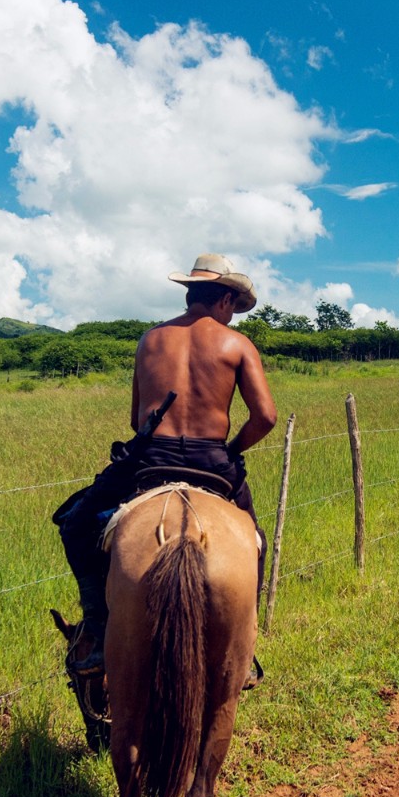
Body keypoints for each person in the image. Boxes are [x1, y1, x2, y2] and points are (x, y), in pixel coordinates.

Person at [53, 253, 278, 680]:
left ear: (191, 293)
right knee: (254, 539)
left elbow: (137, 420)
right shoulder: (237, 345)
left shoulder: (150, 340)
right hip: (212, 461)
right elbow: (265, 417)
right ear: (226, 299)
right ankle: (243, 647)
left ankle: (98, 627)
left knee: (77, 524)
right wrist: (230, 450)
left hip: (150, 460)